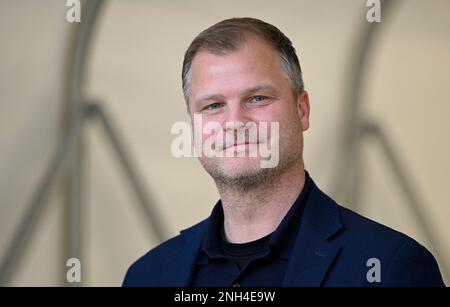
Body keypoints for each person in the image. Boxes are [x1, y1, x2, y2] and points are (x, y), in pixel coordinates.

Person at [123, 17, 444, 287]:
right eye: (214, 105)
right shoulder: (148, 276)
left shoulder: (390, 268)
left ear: (302, 110)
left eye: (258, 98)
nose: (235, 122)